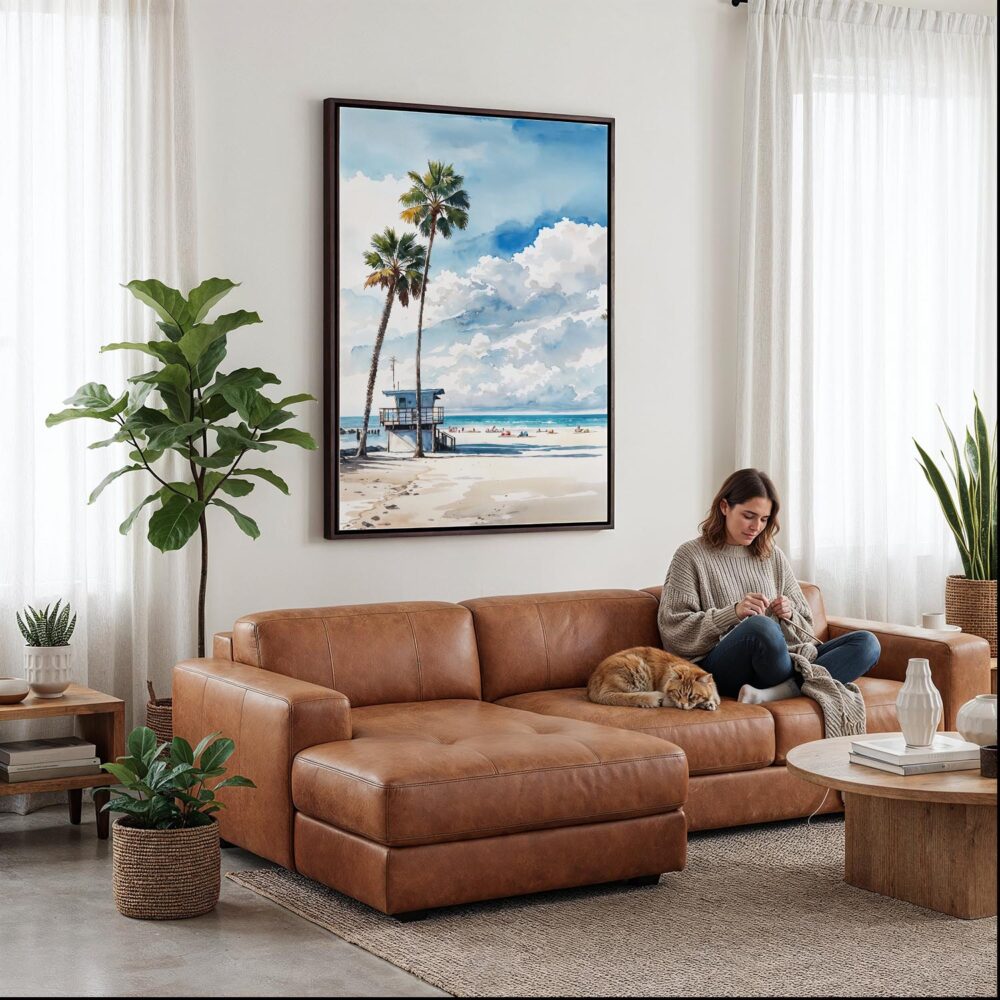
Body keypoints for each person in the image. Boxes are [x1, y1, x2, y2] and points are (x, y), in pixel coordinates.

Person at [657, 468, 880, 704]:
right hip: (720, 668)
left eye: (764, 519)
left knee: (867, 643)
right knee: (761, 627)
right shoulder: (690, 555)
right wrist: (732, 613)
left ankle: (782, 691)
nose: (756, 526)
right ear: (724, 507)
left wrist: (789, 613)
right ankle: (794, 686)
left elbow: (807, 628)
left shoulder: (772, 556)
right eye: (748, 515)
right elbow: (674, 631)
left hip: (781, 662)